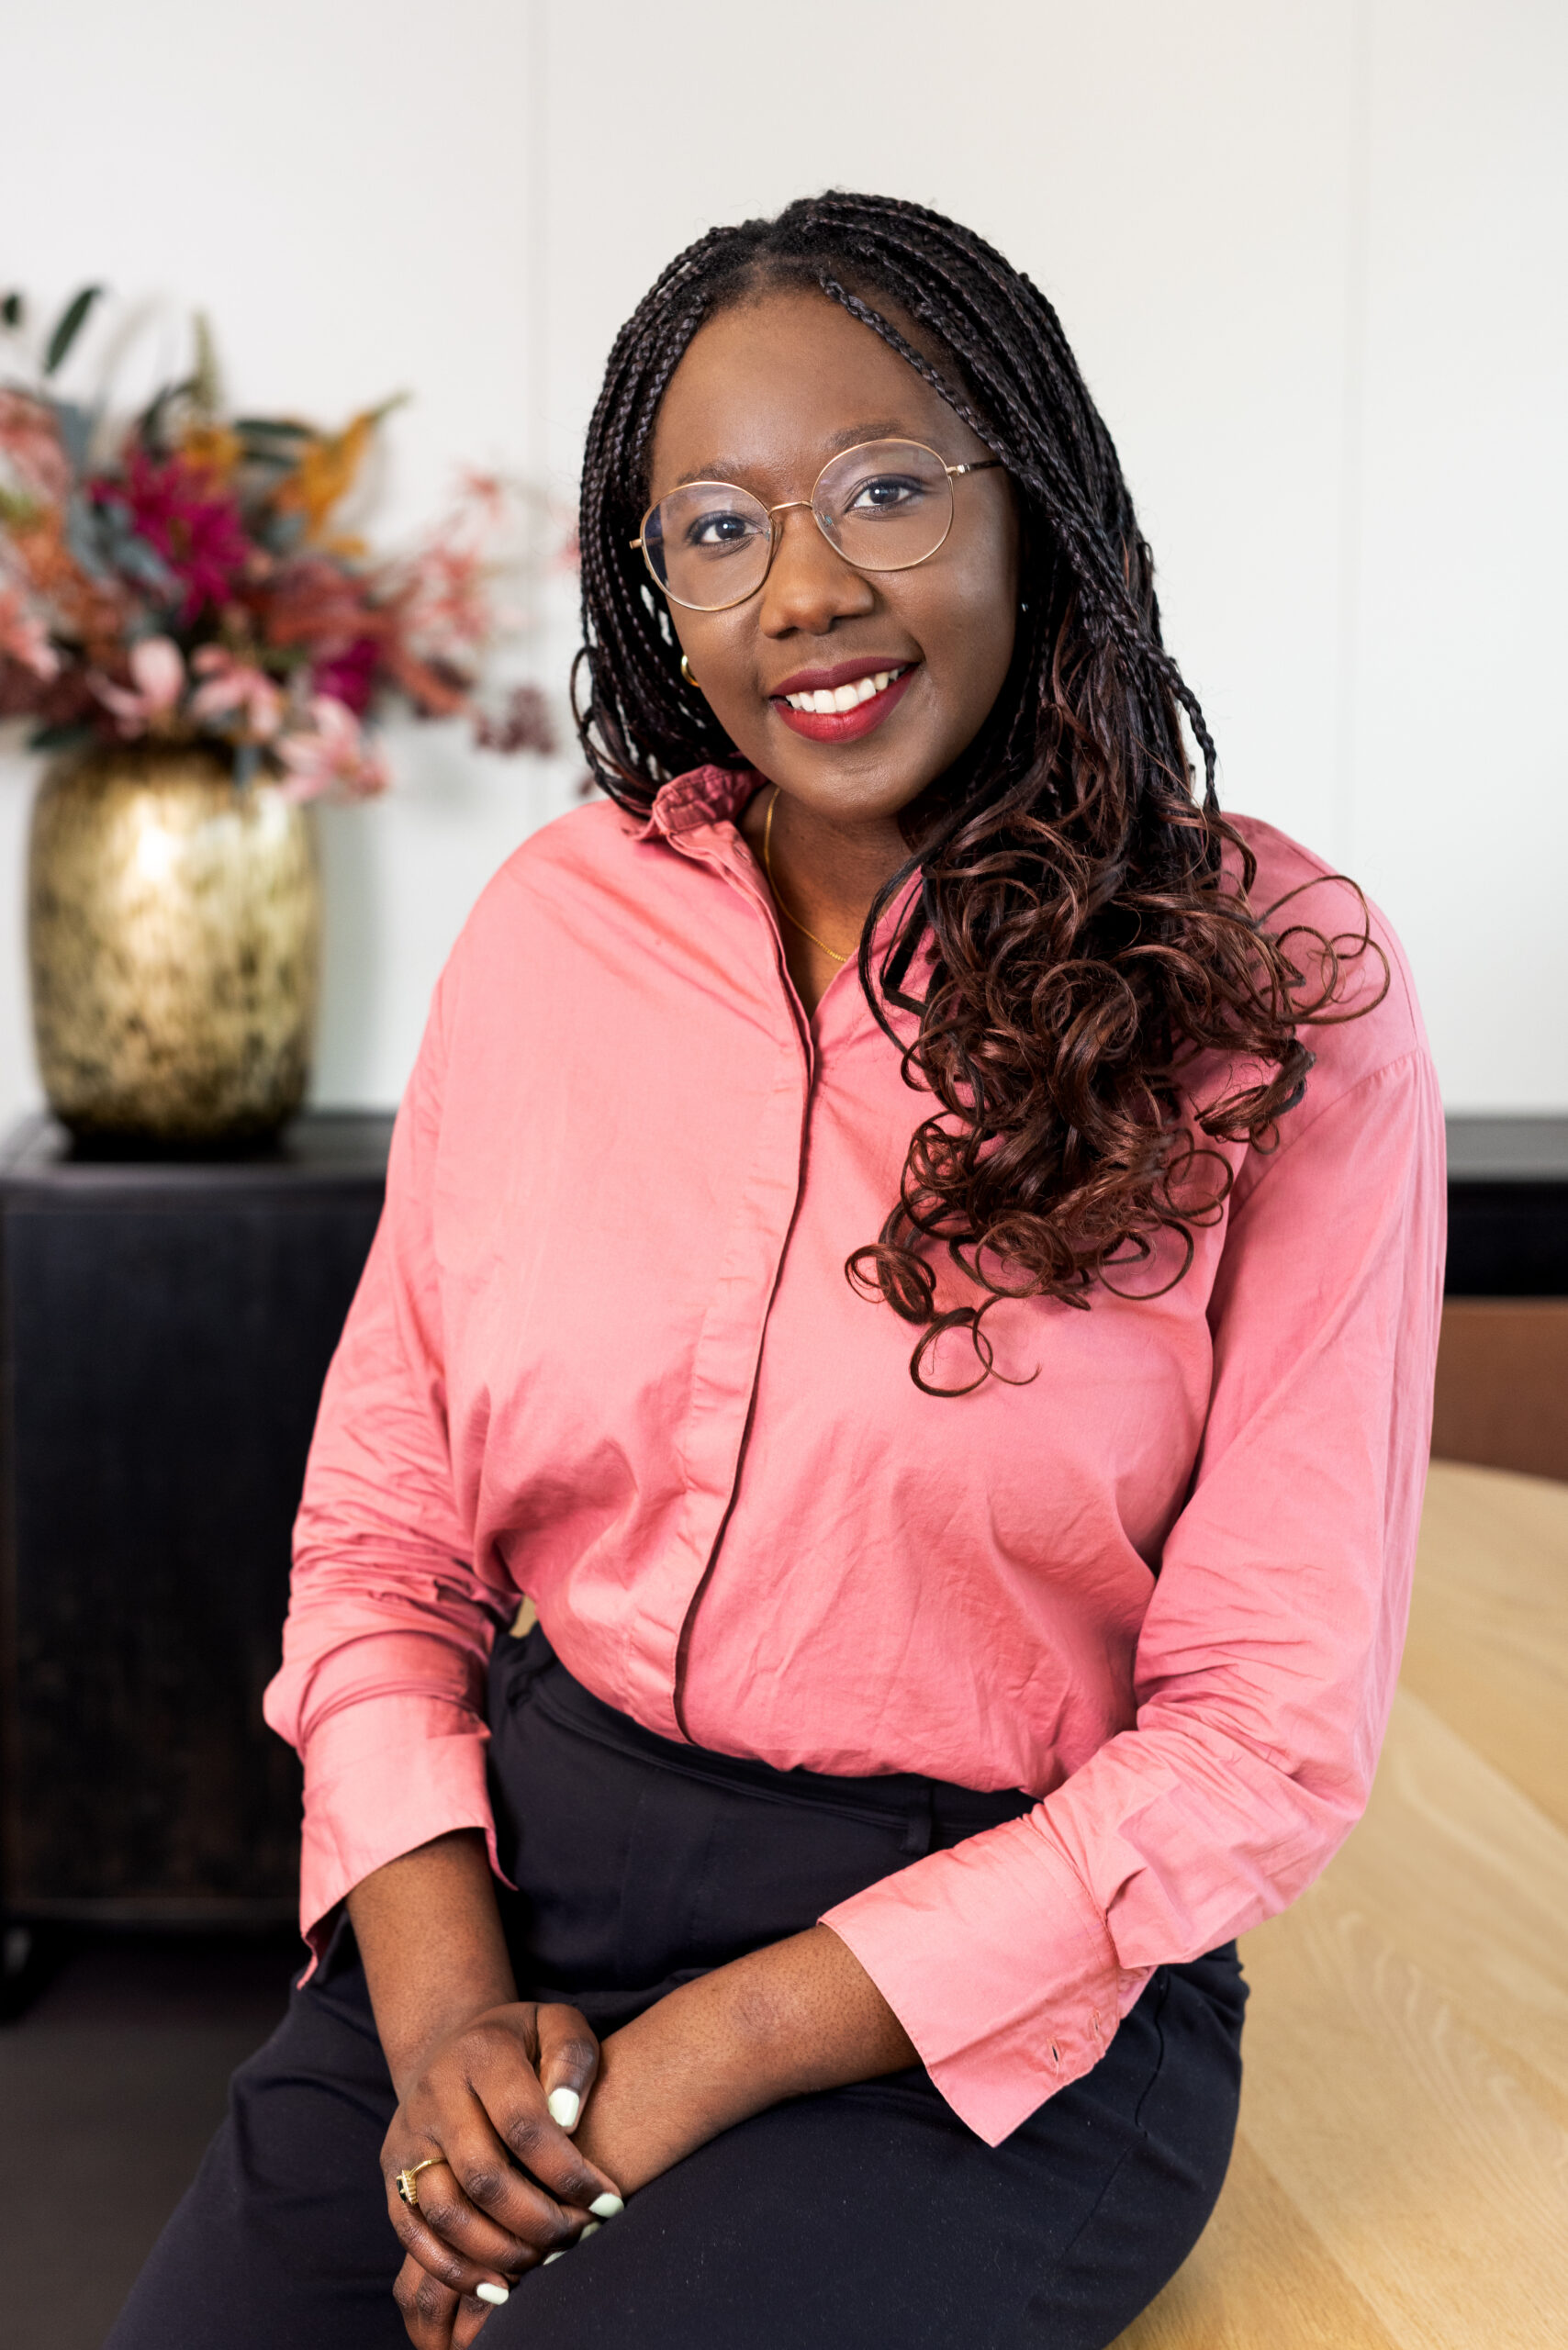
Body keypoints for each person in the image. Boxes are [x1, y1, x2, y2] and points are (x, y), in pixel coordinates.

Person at [107, 192, 1443, 2350]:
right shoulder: (553, 936)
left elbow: (1258, 1738)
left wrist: (692, 2059)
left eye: (883, 491)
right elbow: (380, 1538)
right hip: (519, 1887)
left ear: (1033, 505)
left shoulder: (1274, 992)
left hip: (989, 1995)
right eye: (716, 529)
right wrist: (446, 2027)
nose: (803, 588)